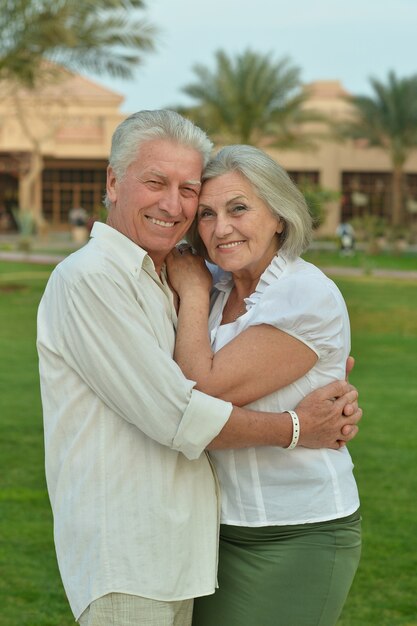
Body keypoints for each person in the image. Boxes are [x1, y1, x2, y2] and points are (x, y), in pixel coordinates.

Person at [37, 111, 361, 626]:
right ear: (113, 182)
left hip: (269, 529)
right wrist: (298, 427)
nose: (207, 222)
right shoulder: (106, 280)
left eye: (190, 191)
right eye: (206, 212)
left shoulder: (222, 283)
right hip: (137, 549)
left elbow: (207, 378)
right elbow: (184, 407)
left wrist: (320, 370)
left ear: (279, 215)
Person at [166, 144, 362, 626]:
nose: (220, 228)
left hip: (297, 530)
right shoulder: (216, 287)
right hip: (214, 529)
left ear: (279, 215)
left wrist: (189, 292)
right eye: (207, 214)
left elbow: (198, 392)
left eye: (238, 208)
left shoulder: (304, 293)